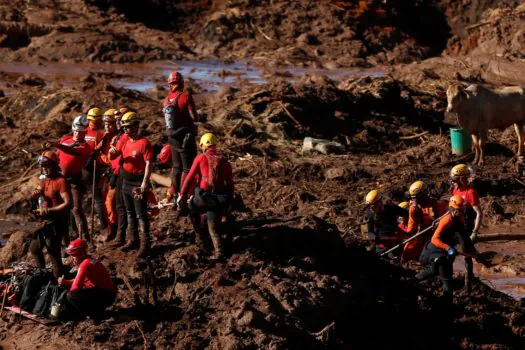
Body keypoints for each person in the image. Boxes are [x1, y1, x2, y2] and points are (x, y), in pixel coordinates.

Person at [178, 133, 234, 259]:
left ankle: (200, 237)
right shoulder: (225, 161)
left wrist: (183, 195)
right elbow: (230, 184)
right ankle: (219, 253)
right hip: (219, 199)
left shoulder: (200, 158)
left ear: (203, 146)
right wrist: (229, 202)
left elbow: (189, 178)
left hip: (203, 198)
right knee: (213, 228)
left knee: (192, 207)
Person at [416, 195, 477, 304]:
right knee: (440, 274)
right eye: (459, 210)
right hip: (434, 250)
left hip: (446, 253)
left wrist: (477, 255)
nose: (462, 213)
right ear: (453, 210)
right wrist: (448, 248)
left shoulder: (460, 219)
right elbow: (434, 239)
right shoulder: (446, 220)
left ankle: (447, 303)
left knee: (441, 274)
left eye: (463, 210)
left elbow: (465, 239)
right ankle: (414, 281)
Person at [109, 112, 153, 257]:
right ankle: (133, 239)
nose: (127, 130)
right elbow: (114, 154)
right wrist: (112, 149)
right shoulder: (124, 140)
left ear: (136, 126)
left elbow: (148, 164)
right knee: (129, 212)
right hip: (125, 180)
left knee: (141, 214)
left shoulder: (144, 143)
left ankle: (145, 244)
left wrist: (145, 182)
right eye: (125, 127)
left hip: (137, 182)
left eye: (129, 127)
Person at [46, 115, 91, 241]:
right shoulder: (65, 138)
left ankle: (85, 238)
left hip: (73, 180)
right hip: (59, 179)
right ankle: (65, 239)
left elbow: (72, 151)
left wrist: (57, 145)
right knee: (59, 209)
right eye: (75, 130)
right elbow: (57, 155)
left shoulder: (85, 146)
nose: (77, 133)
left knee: (76, 209)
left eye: (80, 131)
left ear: (85, 132)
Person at [30, 151, 72, 278]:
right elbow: (42, 197)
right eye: (42, 166)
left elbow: (68, 203)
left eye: (47, 166)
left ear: (54, 165)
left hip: (56, 221)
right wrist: (36, 195)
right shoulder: (44, 179)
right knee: (35, 248)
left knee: (53, 254)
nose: (44, 169)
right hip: (45, 220)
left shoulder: (61, 181)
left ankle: (57, 284)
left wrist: (50, 210)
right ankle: (42, 274)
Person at [162, 71, 199, 207]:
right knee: (188, 169)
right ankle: (184, 197)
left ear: (169, 84)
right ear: (181, 83)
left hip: (173, 138)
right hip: (186, 138)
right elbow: (194, 117)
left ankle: (175, 195)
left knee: (176, 168)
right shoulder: (185, 96)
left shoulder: (166, 100)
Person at [58, 239, 116, 320]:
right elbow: (81, 280)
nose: (72, 258)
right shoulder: (90, 260)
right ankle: (97, 311)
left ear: (81, 254)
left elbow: (76, 286)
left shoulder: (84, 265)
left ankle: (94, 315)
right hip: (107, 293)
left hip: (104, 295)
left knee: (71, 295)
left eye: (74, 256)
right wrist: (66, 282)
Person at [450, 164, 483, 293]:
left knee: (466, 255)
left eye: (455, 180)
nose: (453, 183)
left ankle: (468, 283)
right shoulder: (456, 191)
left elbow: (479, 213)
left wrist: (474, 232)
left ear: (462, 179)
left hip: (467, 228)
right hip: (456, 226)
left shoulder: (471, 193)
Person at [401, 181, 448, 262]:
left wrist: (438, 223)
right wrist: (409, 235)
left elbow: (446, 220)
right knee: (407, 252)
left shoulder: (438, 205)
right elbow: (411, 224)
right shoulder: (413, 208)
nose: (415, 201)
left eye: (417, 198)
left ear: (424, 196)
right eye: (413, 198)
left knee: (433, 254)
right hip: (422, 232)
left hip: (438, 233)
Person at [96, 109, 119, 241]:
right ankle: (110, 227)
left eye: (110, 124)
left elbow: (111, 159)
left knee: (110, 202)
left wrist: (100, 157)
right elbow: (96, 150)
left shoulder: (118, 138)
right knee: (105, 201)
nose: (107, 127)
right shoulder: (106, 136)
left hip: (116, 174)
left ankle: (114, 229)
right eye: (105, 124)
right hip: (106, 174)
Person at [364, 190, 408, 256]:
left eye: (373, 206)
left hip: (397, 241)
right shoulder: (371, 214)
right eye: (370, 207)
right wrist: (374, 237)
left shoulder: (390, 208)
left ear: (379, 202)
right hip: (382, 246)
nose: (372, 209)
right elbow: (370, 232)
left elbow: (406, 213)